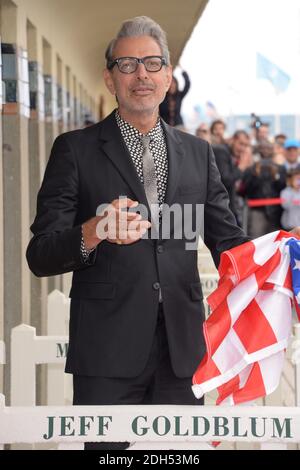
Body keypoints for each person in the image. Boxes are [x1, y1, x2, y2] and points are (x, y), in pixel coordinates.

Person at [26, 16, 254, 450]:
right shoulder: (74, 150)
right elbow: (40, 254)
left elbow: (228, 243)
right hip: (106, 355)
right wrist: (92, 232)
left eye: (153, 63)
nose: (142, 75)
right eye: (127, 64)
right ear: (109, 78)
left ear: (169, 76)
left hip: (184, 352)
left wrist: (282, 252)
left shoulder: (199, 153)